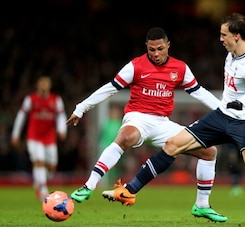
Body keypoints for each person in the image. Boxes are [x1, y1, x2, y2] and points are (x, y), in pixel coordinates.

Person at [105, 13, 245, 227]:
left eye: (223, 34)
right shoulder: (231, 55)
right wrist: (228, 105)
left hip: (243, 122)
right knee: (173, 144)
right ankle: (128, 191)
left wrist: (240, 104)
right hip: (221, 116)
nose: (220, 39)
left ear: (236, 35)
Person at [66, 27, 227, 222]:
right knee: (126, 137)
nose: (156, 54)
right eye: (152, 50)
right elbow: (110, 88)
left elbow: (199, 92)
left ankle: (202, 205)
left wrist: (225, 110)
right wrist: (81, 108)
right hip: (138, 117)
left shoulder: (180, 68)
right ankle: (89, 186)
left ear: (168, 45)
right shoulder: (135, 66)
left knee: (209, 151)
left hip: (162, 123)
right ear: (146, 48)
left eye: (160, 48)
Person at [11, 76, 67, 201]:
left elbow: (61, 115)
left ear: (49, 86)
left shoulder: (55, 99)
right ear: (37, 85)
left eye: (46, 83)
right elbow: (21, 116)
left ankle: (39, 181)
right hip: (34, 137)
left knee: (52, 166)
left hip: (49, 137)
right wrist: (15, 135)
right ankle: (43, 190)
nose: (43, 86)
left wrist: (62, 129)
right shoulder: (31, 99)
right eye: (41, 83)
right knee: (39, 161)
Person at [98, 102, 123, 187]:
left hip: (118, 149)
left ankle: (114, 183)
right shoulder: (107, 123)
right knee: (105, 166)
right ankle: (103, 183)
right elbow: (102, 136)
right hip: (105, 147)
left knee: (115, 168)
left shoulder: (121, 124)